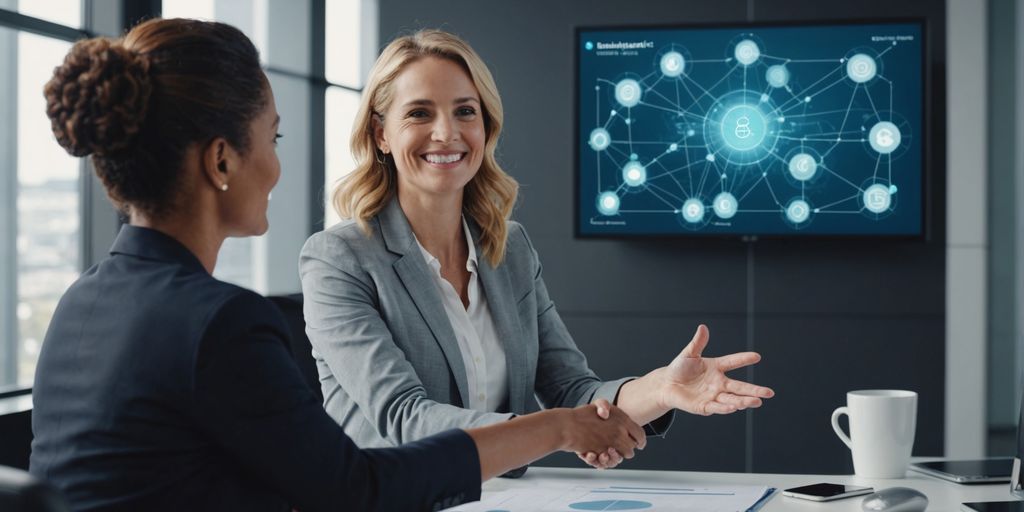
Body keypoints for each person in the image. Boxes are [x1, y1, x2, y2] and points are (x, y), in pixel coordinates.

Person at [28, 18, 646, 512]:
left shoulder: (79, 303)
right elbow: (355, 488)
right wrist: (555, 430)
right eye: (273, 140)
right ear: (221, 162)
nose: (276, 168)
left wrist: (629, 400)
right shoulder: (222, 324)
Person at [299, 29, 775, 471]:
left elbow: (571, 389)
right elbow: (404, 418)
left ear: (486, 128)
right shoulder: (337, 259)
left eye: (466, 111)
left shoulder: (510, 249)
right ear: (381, 133)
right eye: (419, 113)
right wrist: (560, 429)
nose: (446, 132)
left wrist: (661, 389)